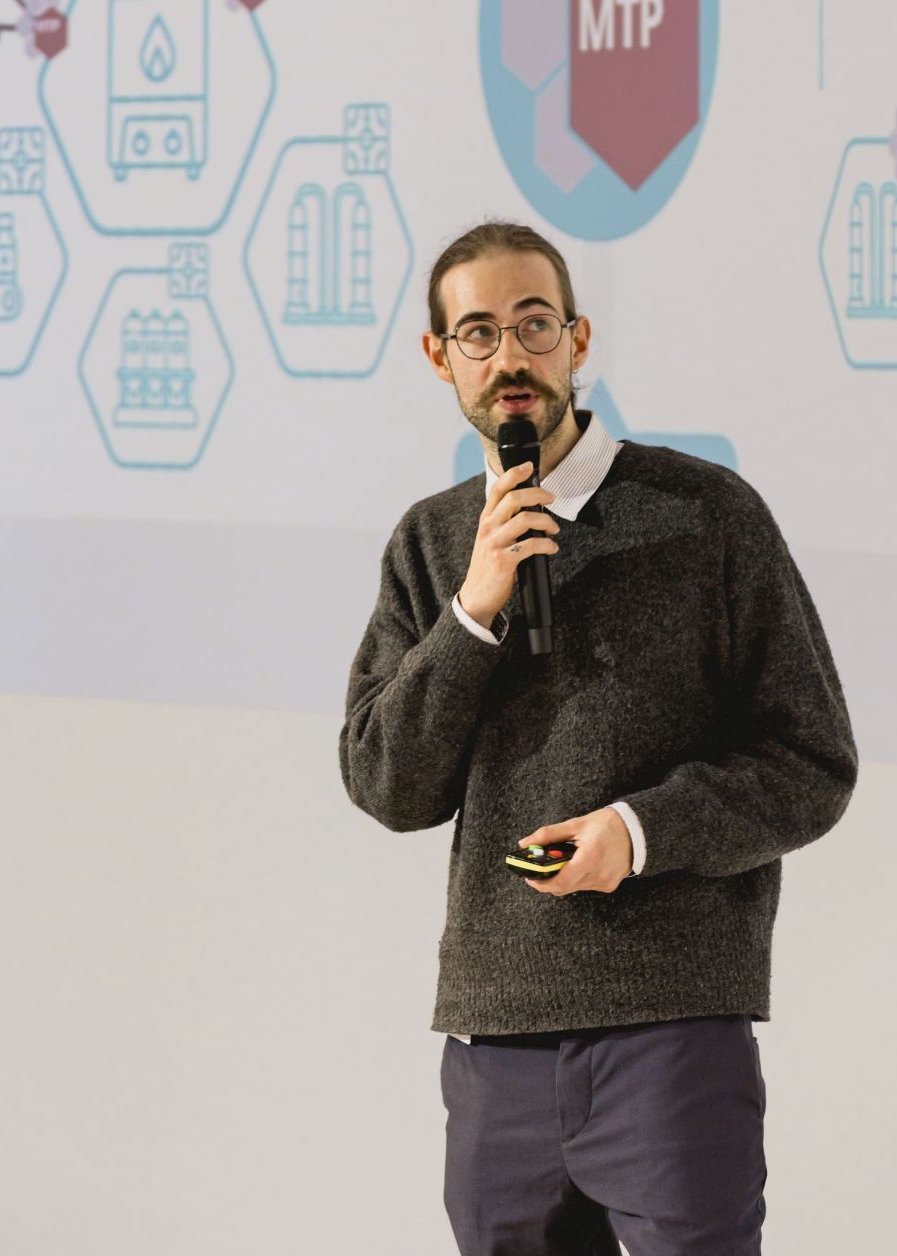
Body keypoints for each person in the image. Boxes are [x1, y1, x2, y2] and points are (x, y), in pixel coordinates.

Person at [339, 219, 859, 1256]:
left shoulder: (707, 514)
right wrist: (473, 614)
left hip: (671, 1031)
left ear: (578, 339)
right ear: (441, 358)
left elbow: (812, 761)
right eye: (479, 333)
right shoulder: (432, 542)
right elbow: (388, 783)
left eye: (535, 324)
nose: (511, 356)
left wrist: (641, 831)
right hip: (497, 1043)